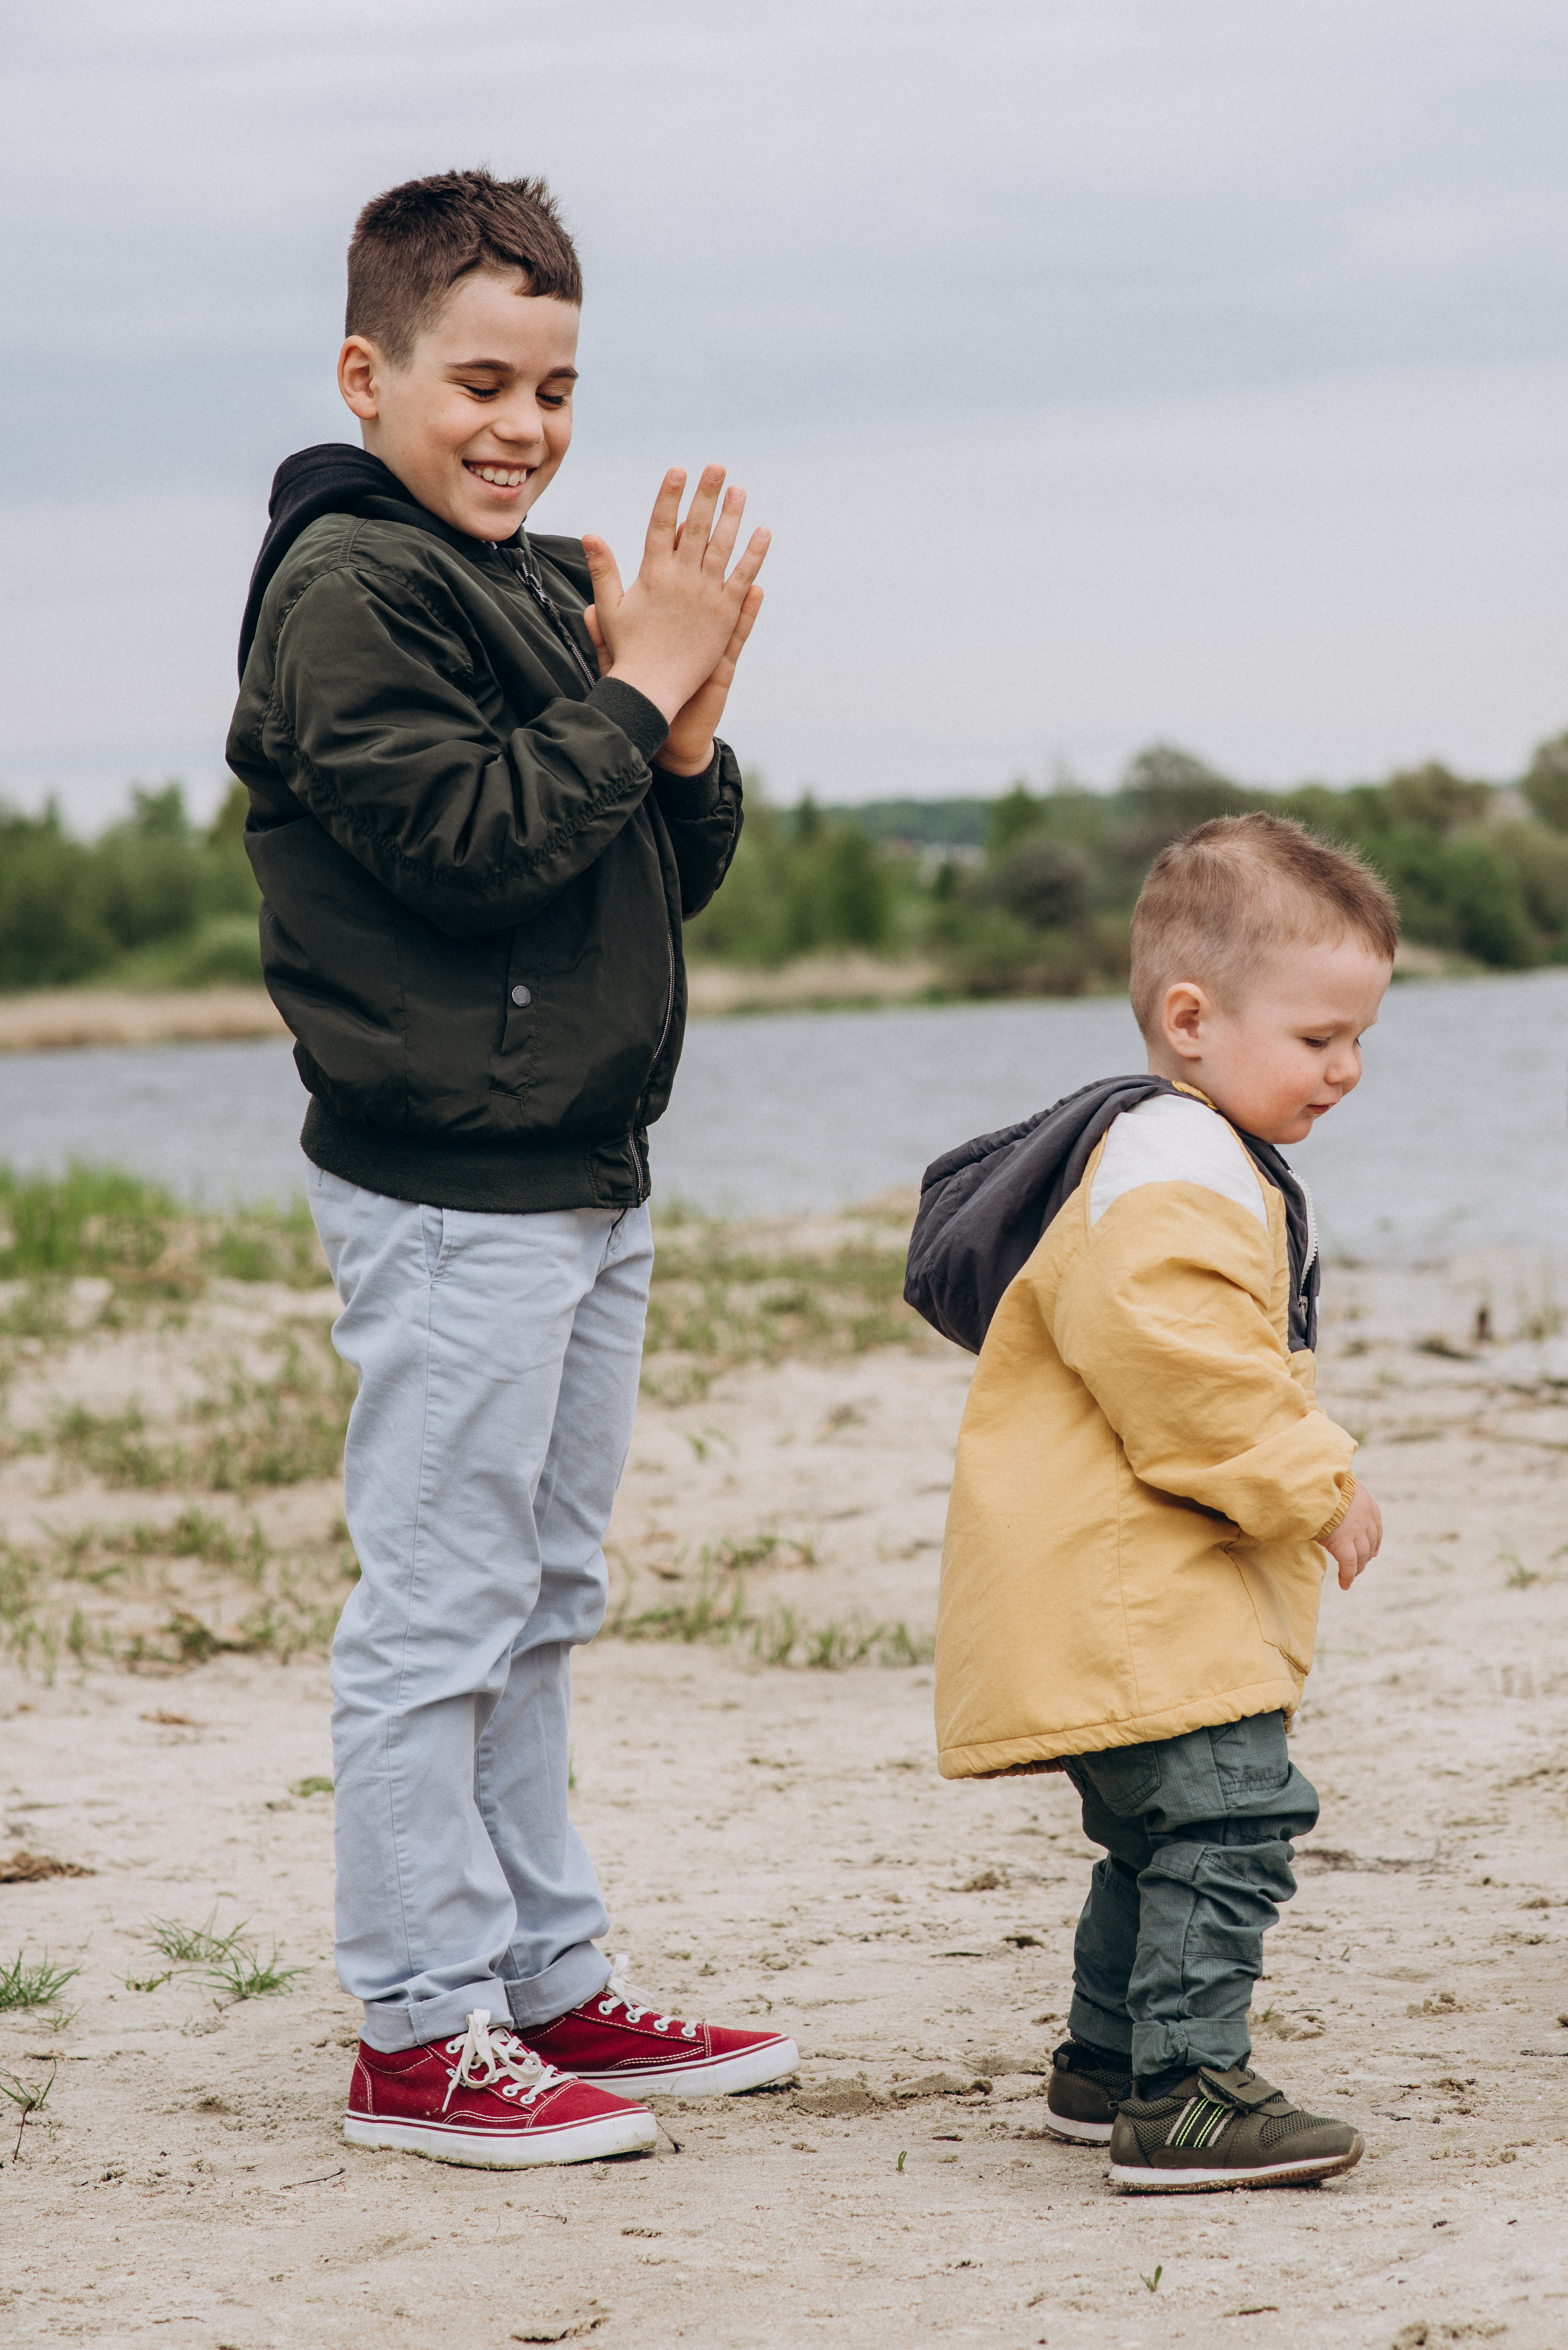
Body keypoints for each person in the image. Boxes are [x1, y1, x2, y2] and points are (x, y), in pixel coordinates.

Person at [226, 168, 798, 2169]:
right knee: (442, 1604)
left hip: (581, 1171)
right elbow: (465, 847)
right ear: (370, 372)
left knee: (544, 1589)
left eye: (554, 388)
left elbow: (647, 872)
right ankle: (417, 2025)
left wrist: (682, 727)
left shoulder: (534, 577)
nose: (523, 427)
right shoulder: (344, 589)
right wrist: (634, 683)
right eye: (481, 380)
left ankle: (547, 1979)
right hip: (446, 1185)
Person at [905, 812, 1395, 2192]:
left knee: (1151, 1833)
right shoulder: (1175, 1170)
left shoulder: (1160, 1151)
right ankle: (1182, 2094)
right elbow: (1180, 1367)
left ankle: (1104, 2060)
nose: (1346, 1069)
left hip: (1120, 1591)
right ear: (1190, 1018)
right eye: (1316, 1040)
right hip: (1142, 1598)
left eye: (1360, 1036)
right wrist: (1315, 1476)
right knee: (1231, 1820)